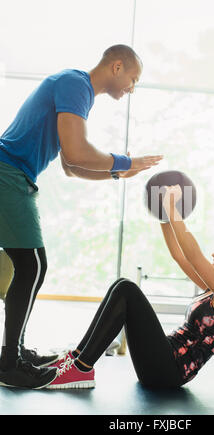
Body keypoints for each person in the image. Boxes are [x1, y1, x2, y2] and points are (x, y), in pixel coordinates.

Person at [0, 44, 163, 389]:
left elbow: (72, 166)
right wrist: (125, 161)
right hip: (7, 173)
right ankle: (9, 363)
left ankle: (14, 354)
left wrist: (118, 173)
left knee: (31, 265)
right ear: (117, 67)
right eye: (133, 80)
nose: (132, 89)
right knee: (31, 265)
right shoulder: (76, 84)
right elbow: (77, 152)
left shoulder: (76, 91)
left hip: (15, 175)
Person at [46, 185, 214, 390]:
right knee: (120, 285)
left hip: (169, 371)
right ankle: (77, 359)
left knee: (127, 289)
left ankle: (81, 369)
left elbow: (194, 256)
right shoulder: (213, 289)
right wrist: (163, 216)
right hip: (162, 360)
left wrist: (172, 207)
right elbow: (179, 256)